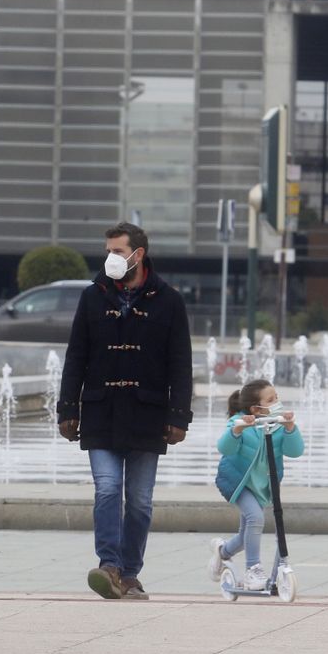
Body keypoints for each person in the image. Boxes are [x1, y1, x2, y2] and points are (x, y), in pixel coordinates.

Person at [58, 221, 194, 600]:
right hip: (100, 410)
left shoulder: (168, 299)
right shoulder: (93, 296)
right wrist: (67, 408)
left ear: (138, 254)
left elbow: (180, 364)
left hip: (147, 413)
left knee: (139, 500)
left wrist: (178, 416)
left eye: (117, 251)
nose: (110, 258)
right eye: (108, 251)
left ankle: (130, 572)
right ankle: (109, 565)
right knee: (107, 489)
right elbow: (76, 357)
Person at [207, 379, 305, 591]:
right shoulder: (239, 421)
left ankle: (222, 551)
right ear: (255, 408)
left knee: (246, 535)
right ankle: (253, 570)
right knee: (256, 518)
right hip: (237, 482)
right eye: (271, 400)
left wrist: (290, 429)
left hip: (261, 485)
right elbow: (225, 448)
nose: (277, 402)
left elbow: (295, 451)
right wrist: (238, 430)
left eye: (276, 397)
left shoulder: (277, 425)